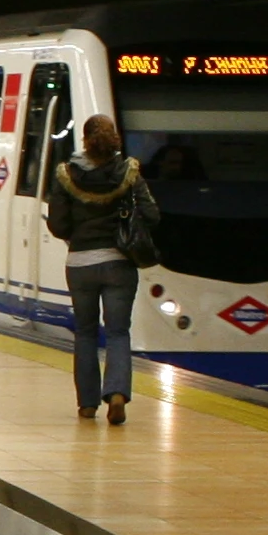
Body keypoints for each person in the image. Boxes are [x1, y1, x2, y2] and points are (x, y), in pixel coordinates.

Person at [44, 114, 154, 426]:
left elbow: (58, 223)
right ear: (114, 140)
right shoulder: (129, 172)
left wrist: (76, 232)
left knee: (85, 333)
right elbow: (152, 214)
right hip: (119, 264)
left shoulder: (66, 175)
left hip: (80, 264)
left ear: (85, 139)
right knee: (118, 332)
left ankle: (87, 405)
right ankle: (117, 395)